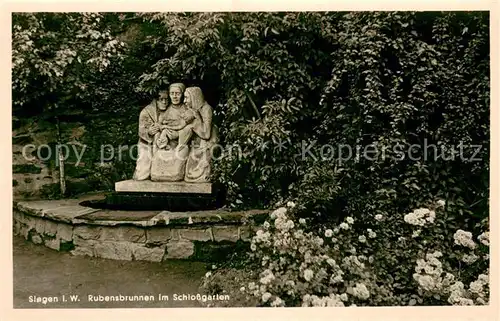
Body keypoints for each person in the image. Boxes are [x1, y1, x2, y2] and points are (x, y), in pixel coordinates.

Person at [183, 86, 219, 182]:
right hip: (198, 144)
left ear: (194, 97)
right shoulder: (194, 110)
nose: (184, 101)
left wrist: (195, 120)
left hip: (207, 145)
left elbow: (207, 135)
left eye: (186, 97)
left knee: (199, 169)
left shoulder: (207, 109)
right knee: (189, 170)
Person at [132, 89, 169, 180]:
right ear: (156, 100)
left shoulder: (171, 110)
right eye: (161, 99)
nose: (164, 102)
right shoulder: (146, 112)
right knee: (144, 165)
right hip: (147, 143)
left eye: (167, 99)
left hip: (166, 141)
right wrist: (149, 132)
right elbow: (141, 131)